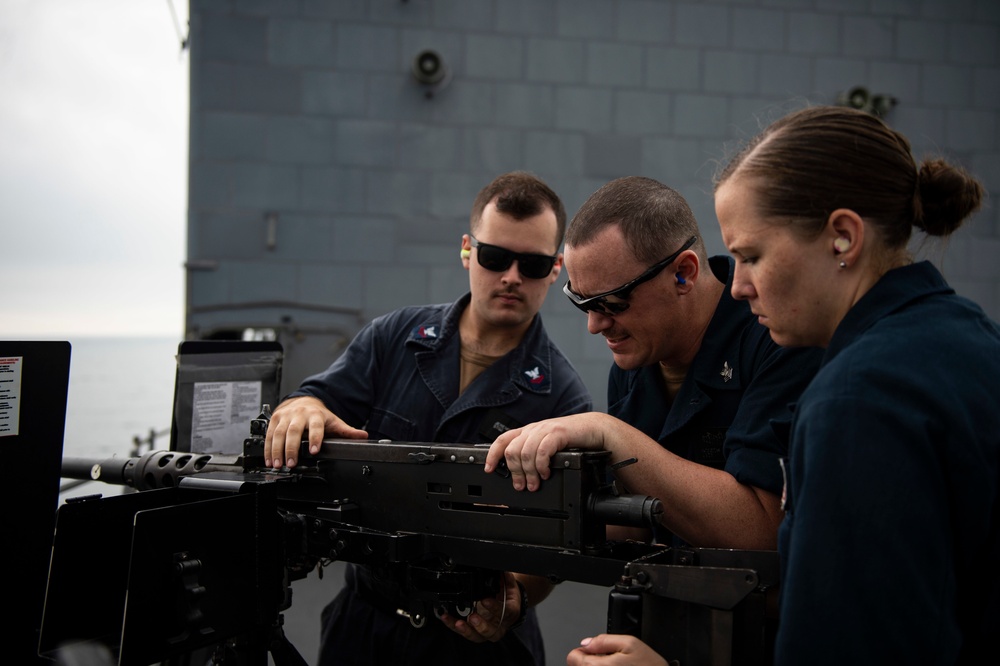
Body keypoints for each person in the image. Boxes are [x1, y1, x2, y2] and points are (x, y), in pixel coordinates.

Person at [264, 171, 593, 666]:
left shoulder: (563, 400)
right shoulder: (394, 339)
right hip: (364, 628)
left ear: (556, 269)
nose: (511, 277)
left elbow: (567, 531)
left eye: (533, 264)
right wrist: (300, 410)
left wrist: (516, 598)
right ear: (467, 250)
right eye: (495, 257)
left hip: (478, 645)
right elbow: (315, 399)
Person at [711, 106, 999, 664]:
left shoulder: (860, 399)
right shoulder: (969, 339)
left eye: (751, 255)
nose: (737, 287)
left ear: (843, 237)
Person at [486, 176, 822, 553]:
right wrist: (519, 518)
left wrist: (609, 434)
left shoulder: (777, 342)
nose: (595, 325)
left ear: (683, 273)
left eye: (611, 304)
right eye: (581, 303)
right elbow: (633, 529)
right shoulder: (633, 368)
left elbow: (762, 531)